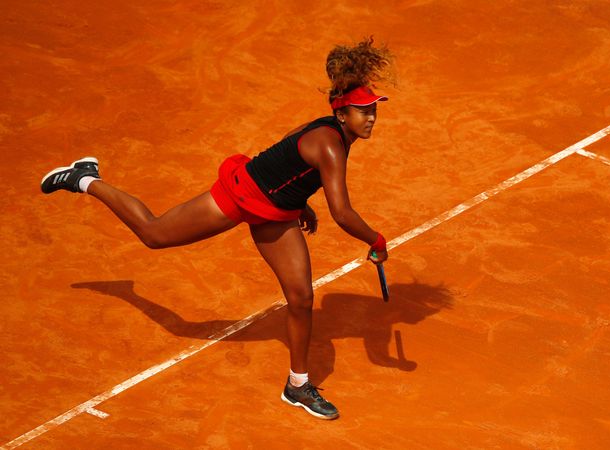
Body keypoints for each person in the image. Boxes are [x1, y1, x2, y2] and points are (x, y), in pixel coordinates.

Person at [39, 37, 394, 420]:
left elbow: (289, 146)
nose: (371, 117)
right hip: (241, 194)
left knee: (301, 298)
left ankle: (297, 385)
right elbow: (341, 212)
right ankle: (85, 179)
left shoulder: (331, 131)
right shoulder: (331, 146)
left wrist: (298, 201)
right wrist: (375, 239)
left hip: (276, 212)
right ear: (342, 114)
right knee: (154, 234)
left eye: (373, 110)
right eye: (363, 111)